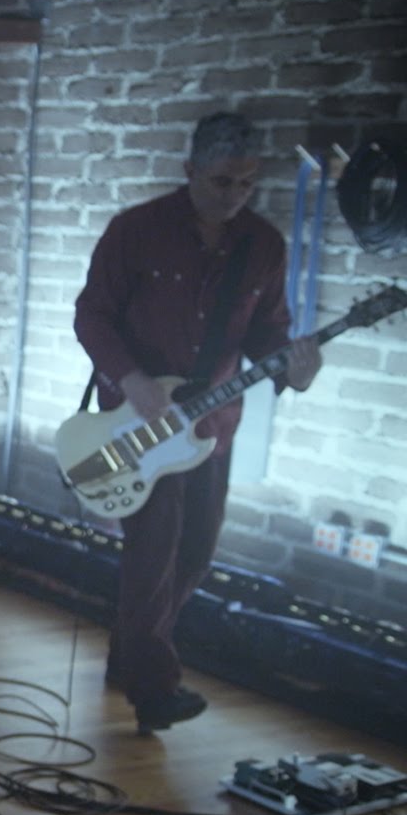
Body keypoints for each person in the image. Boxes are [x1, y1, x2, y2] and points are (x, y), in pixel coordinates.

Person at [74, 111, 321, 734]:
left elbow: (269, 334)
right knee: (152, 552)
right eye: (221, 182)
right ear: (190, 171)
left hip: (212, 426)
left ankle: (130, 657)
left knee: (194, 555)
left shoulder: (262, 245)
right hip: (136, 419)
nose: (234, 195)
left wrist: (295, 370)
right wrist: (131, 378)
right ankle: (155, 691)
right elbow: (92, 315)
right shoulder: (136, 231)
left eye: (247, 183)